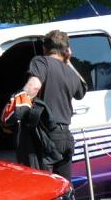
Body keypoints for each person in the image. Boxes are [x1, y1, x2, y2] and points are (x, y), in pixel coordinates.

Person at [19, 30, 87, 180]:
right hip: (65, 137)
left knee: (45, 187)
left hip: (46, 136)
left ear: (45, 48)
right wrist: (68, 61)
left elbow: (33, 87)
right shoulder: (70, 71)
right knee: (65, 186)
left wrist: (16, 104)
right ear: (66, 50)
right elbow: (82, 90)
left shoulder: (40, 61)